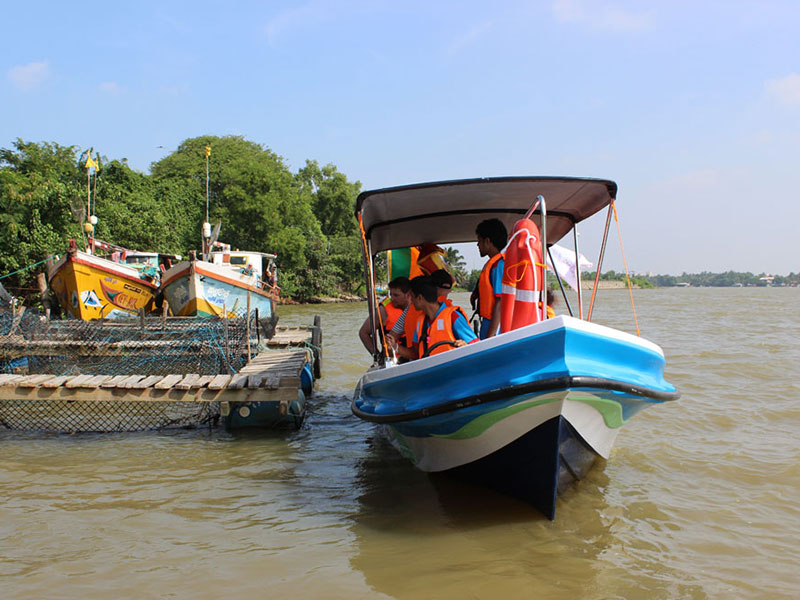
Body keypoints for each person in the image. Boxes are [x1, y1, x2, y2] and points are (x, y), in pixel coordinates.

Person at [390, 276, 477, 360]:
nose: (411, 301)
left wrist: (465, 346)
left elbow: (476, 347)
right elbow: (416, 353)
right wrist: (395, 347)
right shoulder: (421, 322)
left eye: (412, 297)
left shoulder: (453, 316)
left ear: (420, 298)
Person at [471, 218, 508, 339]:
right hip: (487, 323)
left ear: (487, 241)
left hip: (494, 328)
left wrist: (490, 338)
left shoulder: (499, 265)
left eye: (479, 241)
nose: (477, 245)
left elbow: (500, 302)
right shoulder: (492, 264)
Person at [358, 277, 411, 355]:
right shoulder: (383, 310)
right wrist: (377, 355)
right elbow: (363, 332)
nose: (392, 298)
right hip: (393, 359)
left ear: (408, 295)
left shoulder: (416, 309)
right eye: (391, 295)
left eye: (396, 295)